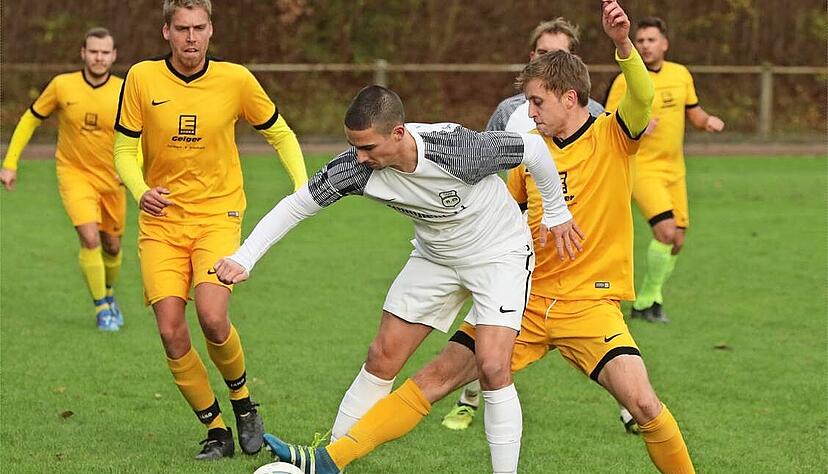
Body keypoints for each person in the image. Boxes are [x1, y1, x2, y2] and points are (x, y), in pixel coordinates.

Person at [262, 2, 695, 474]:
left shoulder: (614, 134)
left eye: (536, 102)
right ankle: (328, 461)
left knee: (646, 406)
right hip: (523, 298)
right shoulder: (528, 153)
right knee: (432, 379)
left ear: (569, 98)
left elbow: (642, 95)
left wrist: (622, 45)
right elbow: (502, 216)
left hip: (589, 307)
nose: (527, 112)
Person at [213, 85, 582, 474]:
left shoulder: (457, 150)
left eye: (369, 147)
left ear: (399, 133)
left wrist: (556, 212)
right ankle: (331, 463)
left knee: (492, 366)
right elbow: (297, 206)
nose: (359, 156)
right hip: (435, 257)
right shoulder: (354, 168)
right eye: (354, 146)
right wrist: (245, 257)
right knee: (381, 357)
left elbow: (535, 150)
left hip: (498, 254)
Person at [112, 0, 308, 460]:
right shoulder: (141, 78)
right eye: (182, 29)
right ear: (166, 32)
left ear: (211, 30)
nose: (191, 38)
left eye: (199, 28)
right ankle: (216, 429)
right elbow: (123, 148)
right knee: (170, 331)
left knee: (213, 317)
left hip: (218, 215)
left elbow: (280, 132)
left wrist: (303, 189)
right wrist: (141, 191)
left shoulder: (236, 80)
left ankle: (243, 405)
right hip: (161, 223)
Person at [442, 16, 640, 435]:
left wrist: (623, 44)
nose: (534, 111)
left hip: (586, 286)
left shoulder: (601, 124)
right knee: (472, 365)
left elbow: (633, 114)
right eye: (544, 52)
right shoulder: (510, 115)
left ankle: (627, 403)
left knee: (633, 387)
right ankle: (466, 399)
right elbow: (498, 191)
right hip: (526, 280)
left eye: (561, 54)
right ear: (532, 57)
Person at [0, 27, 130, 332]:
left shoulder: (126, 90)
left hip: (112, 178)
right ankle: (102, 309)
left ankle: (109, 294)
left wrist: (132, 167)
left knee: (112, 246)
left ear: (113, 56)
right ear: (83, 53)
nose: (98, 57)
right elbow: (31, 117)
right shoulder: (62, 85)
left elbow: (145, 133)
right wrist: (9, 162)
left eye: (104, 52)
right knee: (89, 238)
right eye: (93, 51)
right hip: (74, 174)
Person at [605, 16, 725, 323]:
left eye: (650, 40)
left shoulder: (681, 74)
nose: (645, 45)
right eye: (640, 40)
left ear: (664, 44)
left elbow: (694, 112)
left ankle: (649, 300)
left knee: (678, 240)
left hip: (676, 169)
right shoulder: (626, 79)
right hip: (642, 168)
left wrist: (707, 121)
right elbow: (606, 125)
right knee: (667, 232)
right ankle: (646, 303)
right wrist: (636, 128)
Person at [485, 17, 605, 135]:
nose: (548, 60)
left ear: (573, 60)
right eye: (542, 53)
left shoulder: (595, 113)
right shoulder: (507, 112)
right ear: (532, 57)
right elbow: (487, 154)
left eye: (558, 54)